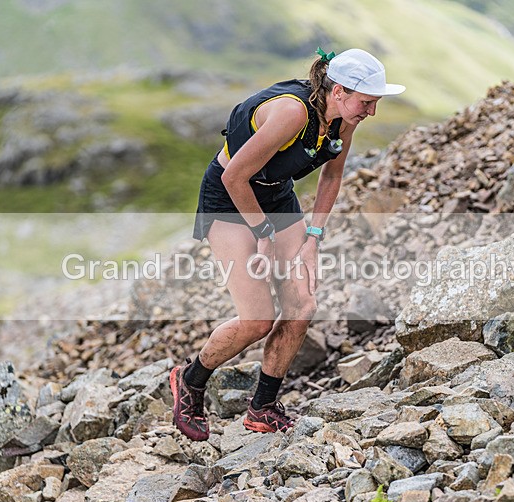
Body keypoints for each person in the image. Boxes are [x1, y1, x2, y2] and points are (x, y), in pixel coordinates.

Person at [170, 48, 405, 441]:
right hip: (229, 200)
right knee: (257, 320)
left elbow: (332, 177)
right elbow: (234, 179)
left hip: (276, 196)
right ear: (340, 91)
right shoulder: (292, 114)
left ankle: (262, 407)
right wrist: (264, 235)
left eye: (375, 104)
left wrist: (313, 237)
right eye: (367, 103)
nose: (371, 112)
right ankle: (190, 382)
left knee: (301, 303)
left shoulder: (342, 118)